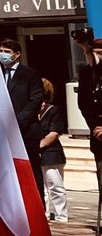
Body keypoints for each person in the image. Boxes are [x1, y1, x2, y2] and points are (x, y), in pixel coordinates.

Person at [0, 38, 45, 198]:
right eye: (1, 51)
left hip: (25, 132)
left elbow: (35, 100)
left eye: (7, 52)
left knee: (31, 173)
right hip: (1, 133)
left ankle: (38, 211)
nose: (2, 55)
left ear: (17, 55)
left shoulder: (30, 75)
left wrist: (17, 123)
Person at [36, 78, 69, 223]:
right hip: (35, 155)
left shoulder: (53, 111)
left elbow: (54, 133)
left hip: (51, 155)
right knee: (39, 187)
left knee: (55, 185)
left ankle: (61, 216)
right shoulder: (30, 110)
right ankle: (43, 215)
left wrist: (38, 146)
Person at [77, 33, 102, 196]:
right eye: (91, 53)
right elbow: (84, 104)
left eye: (99, 53)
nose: (95, 57)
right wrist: (95, 126)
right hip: (98, 136)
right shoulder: (86, 73)